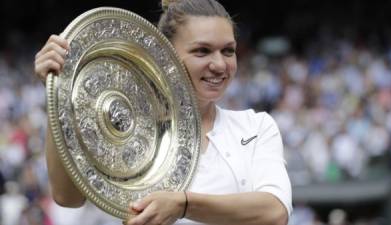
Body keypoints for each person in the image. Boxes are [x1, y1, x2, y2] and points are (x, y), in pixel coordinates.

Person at [34, 0, 292, 224]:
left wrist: (183, 205)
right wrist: (58, 91)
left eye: (228, 51)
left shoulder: (255, 127)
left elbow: (274, 212)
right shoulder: (119, 127)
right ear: (164, 55)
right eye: (202, 51)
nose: (219, 64)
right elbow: (67, 198)